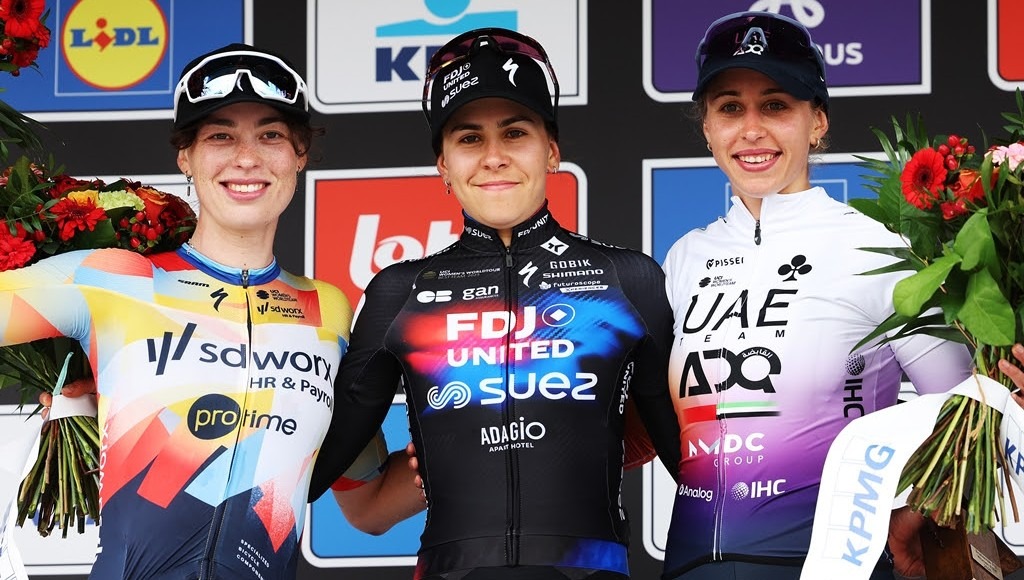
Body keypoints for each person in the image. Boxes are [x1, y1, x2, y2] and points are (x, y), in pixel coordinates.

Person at [1, 43, 421, 580]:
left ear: (300, 154)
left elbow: (369, 508)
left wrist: (475, 443)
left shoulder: (327, 311)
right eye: (221, 136)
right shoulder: (113, 280)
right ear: (186, 156)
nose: (246, 158)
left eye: (270, 135)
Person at [309, 27, 682, 580]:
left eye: (515, 133)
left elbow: (694, 470)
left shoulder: (628, 278)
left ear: (551, 151)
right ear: (442, 164)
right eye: (468, 138)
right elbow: (316, 457)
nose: (493, 158)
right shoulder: (399, 290)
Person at [659, 11, 974, 580]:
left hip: (832, 565)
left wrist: (914, 507)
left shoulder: (878, 248)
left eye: (775, 105)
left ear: (818, 122)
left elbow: (963, 413)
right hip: (690, 565)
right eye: (729, 108)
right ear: (706, 127)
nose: (751, 129)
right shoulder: (685, 258)